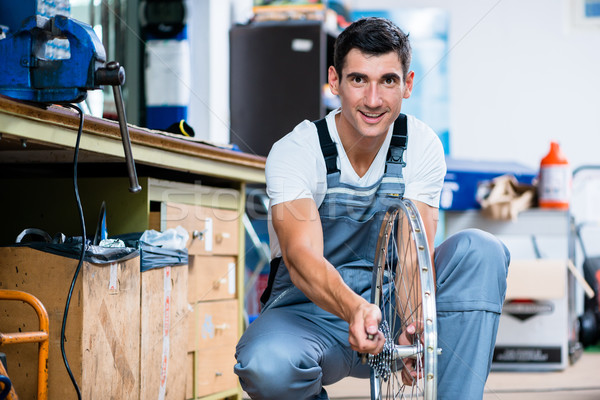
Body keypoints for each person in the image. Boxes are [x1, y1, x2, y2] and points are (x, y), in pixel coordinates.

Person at [235, 17, 510, 400]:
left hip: (391, 314)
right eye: (358, 79)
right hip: (310, 317)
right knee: (266, 365)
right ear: (335, 81)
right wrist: (353, 310)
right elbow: (300, 257)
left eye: (388, 81)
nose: (374, 100)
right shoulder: (297, 151)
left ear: (408, 85)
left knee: (481, 250)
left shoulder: (421, 145)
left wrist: (414, 329)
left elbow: (414, 258)